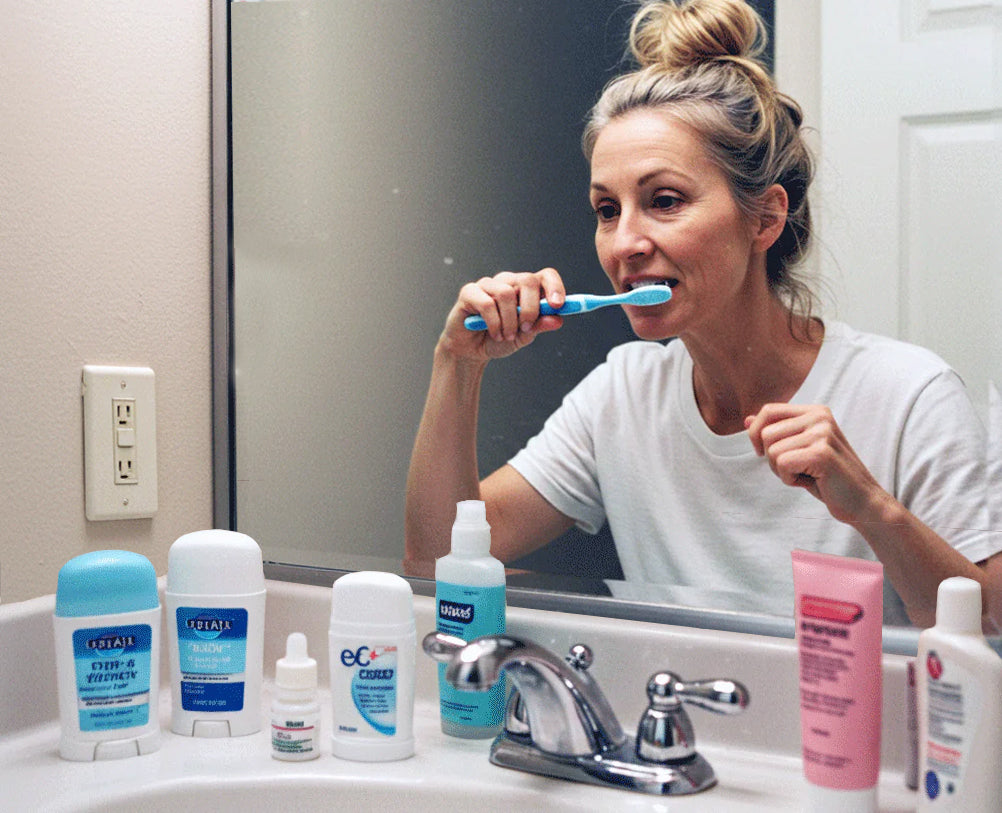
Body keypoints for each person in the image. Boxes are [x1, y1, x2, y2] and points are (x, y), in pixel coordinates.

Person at [404, 0, 1002, 629]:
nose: (624, 242)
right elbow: (436, 562)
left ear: (766, 217)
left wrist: (874, 511)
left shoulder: (908, 395)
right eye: (607, 210)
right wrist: (457, 364)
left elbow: (992, 630)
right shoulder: (622, 395)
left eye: (664, 201)